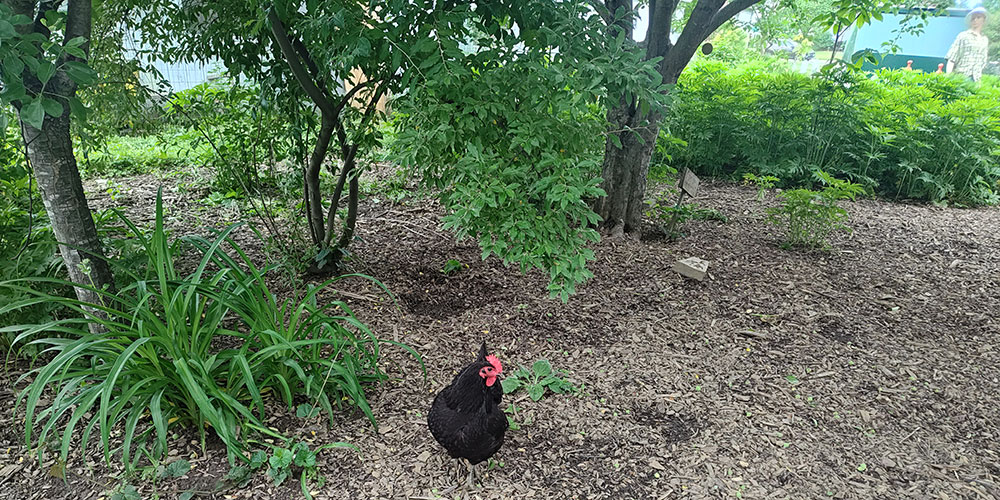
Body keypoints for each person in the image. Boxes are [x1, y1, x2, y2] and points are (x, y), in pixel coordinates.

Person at [946, 7, 990, 82]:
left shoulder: (984, 40)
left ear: (984, 20)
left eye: (978, 17)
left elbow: (983, 61)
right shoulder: (963, 36)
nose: (975, 20)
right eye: (973, 18)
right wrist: (948, 77)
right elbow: (952, 58)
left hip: (976, 79)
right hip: (961, 76)